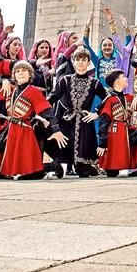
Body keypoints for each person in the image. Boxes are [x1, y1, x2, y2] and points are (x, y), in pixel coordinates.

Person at [0, 61, 67, 179]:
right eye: (17, 71)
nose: (20, 73)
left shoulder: (34, 92)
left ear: (30, 74)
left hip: (23, 132)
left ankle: (51, 166)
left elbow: (46, 112)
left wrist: (56, 129)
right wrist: (3, 81)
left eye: (24, 70)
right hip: (7, 130)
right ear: (13, 75)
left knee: (28, 171)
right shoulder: (10, 89)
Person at [49, 47, 105, 176]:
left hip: (85, 123)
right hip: (67, 121)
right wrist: (44, 115)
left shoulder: (94, 83)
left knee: (83, 171)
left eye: (84, 59)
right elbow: (51, 98)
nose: (80, 62)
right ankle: (59, 165)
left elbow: (108, 99)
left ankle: (89, 168)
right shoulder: (65, 80)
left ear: (88, 62)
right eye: (78, 59)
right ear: (73, 62)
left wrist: (96, 113)